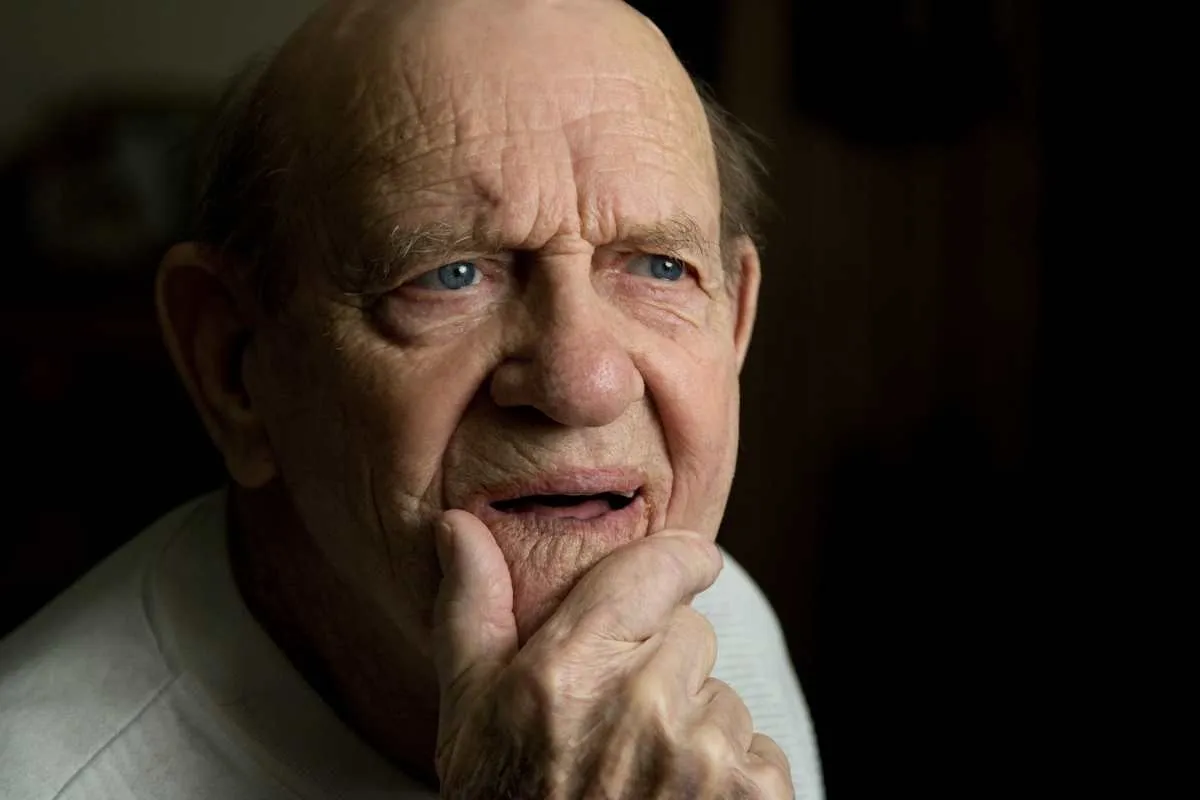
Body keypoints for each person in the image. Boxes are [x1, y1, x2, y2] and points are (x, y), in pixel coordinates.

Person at [0, 0, 823, 797]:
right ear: (233, 364)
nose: (584, 384)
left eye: (658, 267)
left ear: (736, 322)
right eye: (449, 275)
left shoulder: (722, 624)